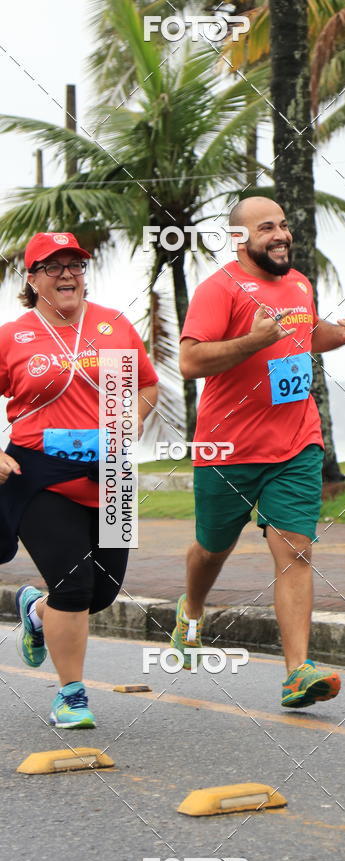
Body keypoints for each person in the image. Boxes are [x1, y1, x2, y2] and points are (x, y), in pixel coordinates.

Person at [173, 196, 345, 707]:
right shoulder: (218, 290)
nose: (281, 234)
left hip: (296, 442)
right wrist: (252, 341)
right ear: (240, 238)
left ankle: (296, 672)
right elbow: (190, 361)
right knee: (212, 548)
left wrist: (340, 334)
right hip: (228, 448)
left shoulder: (300, 283)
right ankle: (192, 610)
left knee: (296, 551)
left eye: (284, 224)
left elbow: (303, 337)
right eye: (267, 228)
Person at [0, 232, 158, 727]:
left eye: (75, 264)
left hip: (109, 471)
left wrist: (131, 420)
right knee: (73, 583)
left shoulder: (113, 325)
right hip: (38, 471)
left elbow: (147, 383)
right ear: (32, 278)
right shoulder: (14, 336)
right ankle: (71, 695)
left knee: (102, 594)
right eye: (53, 266)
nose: (67, 274)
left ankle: (36, 609)